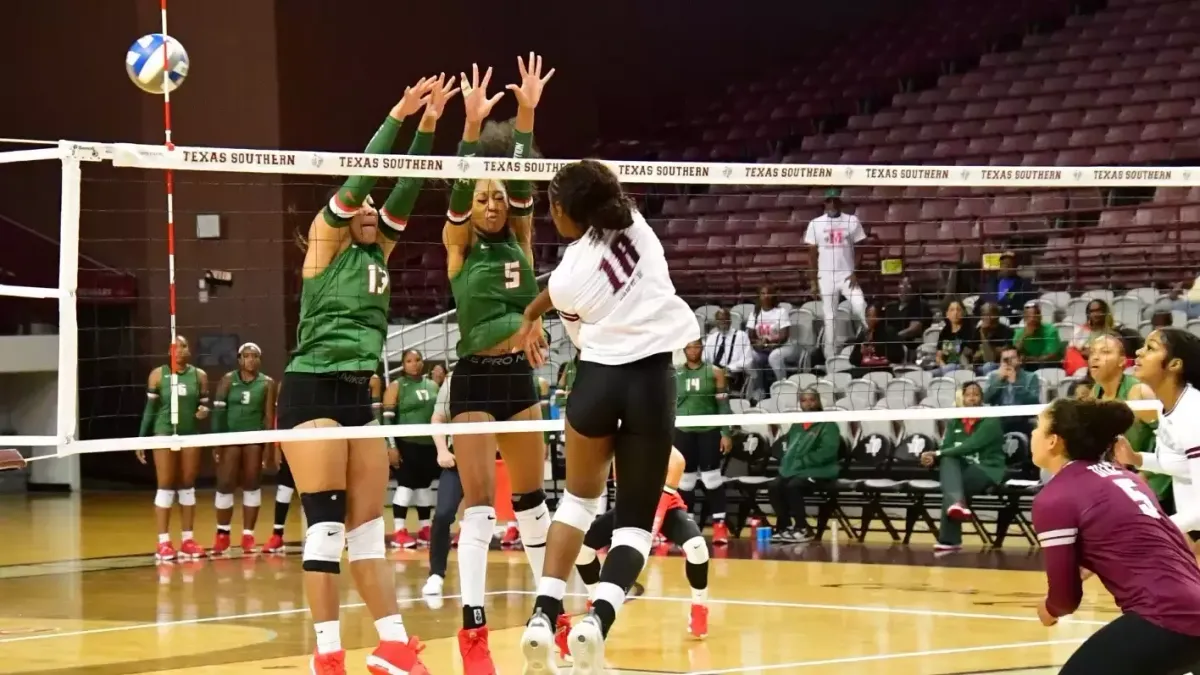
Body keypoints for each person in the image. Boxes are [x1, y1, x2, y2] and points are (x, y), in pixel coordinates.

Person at [274, 74, 454, 675]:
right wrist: (398, 114)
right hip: (312, 388)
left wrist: (430, 125)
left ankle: (393, 645)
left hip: (357, 397)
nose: (375, 208)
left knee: (369, 535)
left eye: (378, 209)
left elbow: (408, 184)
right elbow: (365, 179)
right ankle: (327, 656)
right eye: (366, 206)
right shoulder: (325, 245)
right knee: (325, 531)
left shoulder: (379, 253)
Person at [514, 157, 699, 675]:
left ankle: (542, 616)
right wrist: (533, 311)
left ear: (568, 213)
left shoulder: (570, 278)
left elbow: (555, 295)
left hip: (596, 383)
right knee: (636, 527)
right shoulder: (636, 224)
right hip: (649, 384)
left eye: (553, 207)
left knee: (576, 503)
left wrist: (530, 315)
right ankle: (597, 620)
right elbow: (601, 182)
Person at [441, 56, 554, 673]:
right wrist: (472, 123)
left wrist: (527, 113)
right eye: (480, 196)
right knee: (480, 506)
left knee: (534, 502)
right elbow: (461, 185)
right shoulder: (458, 245)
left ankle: (549, 612)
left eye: (495, 196)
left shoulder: (522, 234)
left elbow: (524, 179)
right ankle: (473, 629)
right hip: (476, 378)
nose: (489, 202)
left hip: (519, 378)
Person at [1031, 398, 1200, 674]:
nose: (1033, 434)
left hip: (1165, 615)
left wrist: (1049, 610)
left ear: (1053, 441)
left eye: (1037, 428)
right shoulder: (1126, 478)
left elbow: (1065, 598)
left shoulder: (1054, 498)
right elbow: (1162, 541)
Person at [575, 448, 711, 642]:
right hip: (631, 508)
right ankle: (596, 602)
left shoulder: (656, 437)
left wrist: (649, 534)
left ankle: (700, 607)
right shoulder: (618, 446)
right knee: (582, 549)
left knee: (697, 546)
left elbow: (677, 462)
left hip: (667, 507)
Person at [1116, 328, 1200, 535]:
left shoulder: (1193, 412)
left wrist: (1155, 532)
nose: (1138, 352)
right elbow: (1177, 462)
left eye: (1150, 348)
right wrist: (1136, 458)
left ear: (1174, 364)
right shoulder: (1169, 406)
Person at [136, 335, 211, 561]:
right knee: (166, 484)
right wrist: (141, 439)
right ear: (168, 350)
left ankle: (187, 540)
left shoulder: (199, 376)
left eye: (184, 346)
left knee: (187, 485)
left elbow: (204, 407)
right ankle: (163, 542)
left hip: (189, 434)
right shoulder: (158, 375)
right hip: (164, 432)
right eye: (175, 347)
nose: (180, 350)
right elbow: (150, 410)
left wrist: (203, 412)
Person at [920, 382, 1005, 554]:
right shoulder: (955, 421)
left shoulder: (991, 419)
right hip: (962, 467)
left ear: (981, 398)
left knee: (952, 488)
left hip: (987, 468)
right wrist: (933, 459)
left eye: (976, 394)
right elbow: (947, 447)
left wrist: (936, 454)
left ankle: (949, 540)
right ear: (963, 398)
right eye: (968, 395)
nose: (972, 398)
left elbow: (971, 445)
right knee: (949, 462)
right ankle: (957, 506)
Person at [210, 342, 276, 556]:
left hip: (254, 438)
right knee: (225, 482)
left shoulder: (267, 383)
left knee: (252, 483)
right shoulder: (228, 380)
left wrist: (269, 448)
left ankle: (248, 534)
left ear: (260, 359)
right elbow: (218, 414)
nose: (250, 360)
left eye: (254, 356)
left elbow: (268, 417)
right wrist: (217, 442)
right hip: (231, 437)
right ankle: (222, 534)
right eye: (246, 356)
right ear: (239, 359)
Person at [1089, 334, 1168, 508]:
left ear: (1122, 362)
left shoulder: (1138, 392)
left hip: (1154, 474)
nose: (1095, 357)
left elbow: (1168, 439)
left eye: (1105, 352)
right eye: (1092, 352)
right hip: (1119, 475)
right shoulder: (1095, 393)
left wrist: (1143, 476)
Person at [674, 339, 734, 544]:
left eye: (697, 346)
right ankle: (687, 527)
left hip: (709, 429)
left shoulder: (715, 372)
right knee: (685, 481)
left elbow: (724, 404)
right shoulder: (674, 373)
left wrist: (725, 433)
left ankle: (719, 526)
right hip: (682, 430)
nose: (693, 350)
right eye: (689, 346)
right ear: (684, 349)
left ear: (702, 348)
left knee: (712, 478)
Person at [384, 349, 441, 549]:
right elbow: (387, 419)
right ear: (403, 364)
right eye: (409, 361)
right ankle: (399, 531)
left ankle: (425, 529)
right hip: (406, 444)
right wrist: (391, 446)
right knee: (405, 486)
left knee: (424, 487)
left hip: (429, 445)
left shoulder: (433, 385)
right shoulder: (396, 386)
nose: (414, 364)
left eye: (417, 360)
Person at [769, 388, 839, 543]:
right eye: (804, 400)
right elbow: (790, 449)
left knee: (793, 486)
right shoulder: (797, 425)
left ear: (818, 401)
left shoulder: (828, 424)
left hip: (821, 471)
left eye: (811, 399)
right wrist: (787, 466)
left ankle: (802, 528)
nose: (808, 403)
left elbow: (827, 452)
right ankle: (785, 527)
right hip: (797, 470)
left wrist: (801, 463)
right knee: (775, 486)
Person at [806, 189, 868, 361]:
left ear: (840, 202)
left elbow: (861, 248)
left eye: (835, 201)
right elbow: (811, 255)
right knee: (830, 317)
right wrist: (813, 282)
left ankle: (872, 341)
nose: (832, 204)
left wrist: (855, 271)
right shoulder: (815, 224)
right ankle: (830, 356)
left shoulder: (851, 220)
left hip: (847, 275)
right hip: (825, 276)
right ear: (824, 203)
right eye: (828, 201)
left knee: (860, 304)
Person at [423, 370, 462, 601]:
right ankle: (436, 574)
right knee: (443, 514)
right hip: (457, 461)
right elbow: (438, 418)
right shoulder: (454, 378)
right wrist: (442, 450)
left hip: (490, 459)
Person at [747, 284, 794, 400]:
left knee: (774, 357)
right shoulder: (754, 313)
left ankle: (782, 387)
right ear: (759, 296)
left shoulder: (781, 311)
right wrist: (757, 344)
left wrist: (768, 341)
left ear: (773, 295)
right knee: (750, 357)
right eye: (763, 293)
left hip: (783, 347)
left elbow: (784, 336)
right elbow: (750, 336)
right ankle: (760, 389)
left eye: (768, 293)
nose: (766, 296)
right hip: (762, 349)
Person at [702, 307, 753, 393]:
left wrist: (729, 368)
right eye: (720, 319)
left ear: (730, 320)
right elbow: (704, 358)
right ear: (716, 322)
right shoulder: (712, 338)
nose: (723, 321)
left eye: (726, 318)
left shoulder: (741, 336)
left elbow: (747, 361)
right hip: (713, 373)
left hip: (733, 375)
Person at [882, 276, 931, 359]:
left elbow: (914, 329)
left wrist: (893, 338)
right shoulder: (891, 307)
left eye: (905, 285)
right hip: (886, 344)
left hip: (906, 346)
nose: (901, 288)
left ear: (914, 291)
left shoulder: (918, 306)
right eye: (900, 284)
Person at [1014, 301, 1064, 370]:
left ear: (1040, 317)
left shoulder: (1050, 330)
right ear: (1024, 319)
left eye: (1035, 316)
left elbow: (1052, 355)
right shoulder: (1019, 333)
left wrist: (1034, 359)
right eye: (1029, 317)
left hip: (1049, 365)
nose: (1032, 319)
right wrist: (1024, 336)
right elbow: (1014, 352)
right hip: (1027, 366)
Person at [932, 300, 977, 376]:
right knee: (929, 374)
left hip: (963, 366)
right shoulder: (944, 332)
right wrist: (944, 367)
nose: (955, 313)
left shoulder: (969, 329)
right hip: (946, 367)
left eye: (958, 310)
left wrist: (948, 349)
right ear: (947, 314)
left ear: (963, 312)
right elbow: (938, 357)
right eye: (952, 310)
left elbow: (966, 352)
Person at [986, 251, 1034, 320]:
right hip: (992, 317)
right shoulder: (993, 282)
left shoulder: (1023, 284)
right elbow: (984, 299)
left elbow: (1023, 304)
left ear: (1015, 267)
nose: (1006, 267)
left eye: (1009, 264)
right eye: (1003, 264)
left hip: (1012, 319)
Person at [973, 302, 1014, 375]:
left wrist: (983, 334)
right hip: (979, 367)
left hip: (1000, 366)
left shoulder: (1007, 331)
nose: (987, 317)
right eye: (984, 315)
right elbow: (969, 352)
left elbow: (991, 358)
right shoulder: (977, 331)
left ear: (997, 315)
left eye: (990, 314)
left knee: (988, 366)